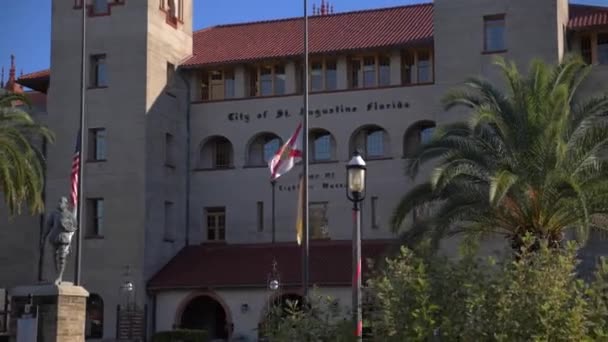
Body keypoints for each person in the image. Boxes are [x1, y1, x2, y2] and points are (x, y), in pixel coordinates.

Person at [41, 197, 77, 284]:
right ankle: (57, 274)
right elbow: (48, 226)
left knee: (62, 258)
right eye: (59, 201)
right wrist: (44, 236)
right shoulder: (54, 214)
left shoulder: (69, 215)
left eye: (61, 202)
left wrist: (67, 225)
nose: (59, 203)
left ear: (66, 204)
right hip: (54, 237)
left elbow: (74, 226)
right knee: (54, 256)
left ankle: (60, 277)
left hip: (64, 238)